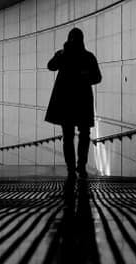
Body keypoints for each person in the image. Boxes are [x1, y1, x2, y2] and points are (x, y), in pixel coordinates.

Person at [43, 28, 102, 176]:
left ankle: (71, 169)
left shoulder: (64, 56)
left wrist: (61, 54)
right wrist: (85, 76)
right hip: (83, 101)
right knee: (84, 135)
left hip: (66, 102)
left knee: (68, 136)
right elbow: (97, 78)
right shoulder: (88, 57)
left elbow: (50, 66)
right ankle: (80, 167)